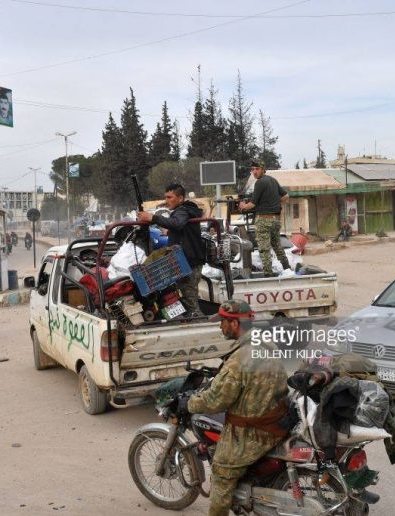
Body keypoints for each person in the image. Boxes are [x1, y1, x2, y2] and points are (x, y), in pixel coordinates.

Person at [184, 300, 289, 516]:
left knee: (221, 474)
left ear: (234, 324)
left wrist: (190, 403)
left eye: (222, 322)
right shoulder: (267, 344)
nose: (220, 326)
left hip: (252, 433)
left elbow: (216, 401)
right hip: (277, 420)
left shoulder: (238, 359)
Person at [137, 183, 205, 317]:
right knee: (185, 295)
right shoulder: (186, 210)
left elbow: (178, 223)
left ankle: (199, 323)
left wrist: (152, 218)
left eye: (169, 197)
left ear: (180, 198)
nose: (166, 201)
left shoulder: (183, 210)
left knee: (189, 299)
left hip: (189, 262)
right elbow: (182, 228)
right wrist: (170, 232)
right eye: (165, 197)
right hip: (187, 260)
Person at [239, 162, 293, 277]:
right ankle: (287, 268)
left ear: (263, 169)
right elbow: (286, 196)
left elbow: (252, 204)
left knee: (264, 249)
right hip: (276, 220)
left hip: (263, 220)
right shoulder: (273, 180)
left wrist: (243, 206)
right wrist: (274, 203)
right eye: (252, 169)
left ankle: (268, 274)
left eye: (257, 169)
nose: (254, 171)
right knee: (277, 246)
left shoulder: (259, 182)